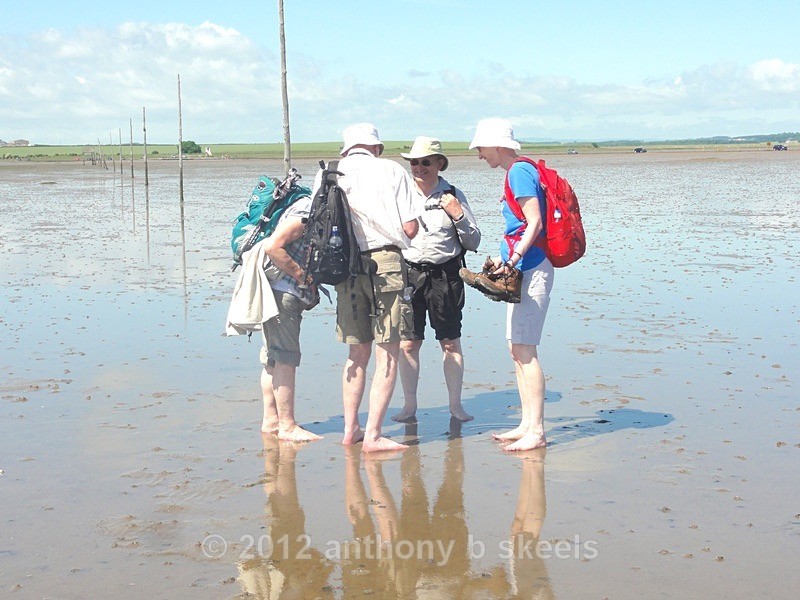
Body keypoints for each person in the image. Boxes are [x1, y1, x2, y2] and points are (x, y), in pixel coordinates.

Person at [314, 123, 420, 453]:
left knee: (355, 352)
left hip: (343, 264)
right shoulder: (392, 170)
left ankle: (351, 429)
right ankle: (374, 435)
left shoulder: (328, 173)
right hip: (385, 261)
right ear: (376, 147)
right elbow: (410, 228)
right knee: (386, 350)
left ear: (346, 148)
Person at [469, 118, 555, 451]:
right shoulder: (518, 172)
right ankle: (526, 423)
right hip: (525, 267)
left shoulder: (518, 172)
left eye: (480, 147)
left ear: (496, 144)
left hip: (532, 268)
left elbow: (535, 222)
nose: (479, 155)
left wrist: (514, 259)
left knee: (525, 350)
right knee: (515, 348)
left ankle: (537, 431)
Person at [392, 136, 481, 423]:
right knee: (408, 343)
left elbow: (474, 240)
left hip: (446, 275)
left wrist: (458, 215)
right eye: (414, 162)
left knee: (450, 342)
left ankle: (456, 406)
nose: (419, 167)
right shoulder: (400, 194)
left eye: (425, 162)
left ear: (439, 164)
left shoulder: (454, 194)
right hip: (409, 274)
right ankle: (409, 407)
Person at [258, 193, 322, 442]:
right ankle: (287, 425)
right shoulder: (307, 212)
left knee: (272, 357)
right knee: (285, 358)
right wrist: (302, 276)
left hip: (272, 291)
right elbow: (273, 247)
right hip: (282, 292)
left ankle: (271, 421)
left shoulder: (303, 206)